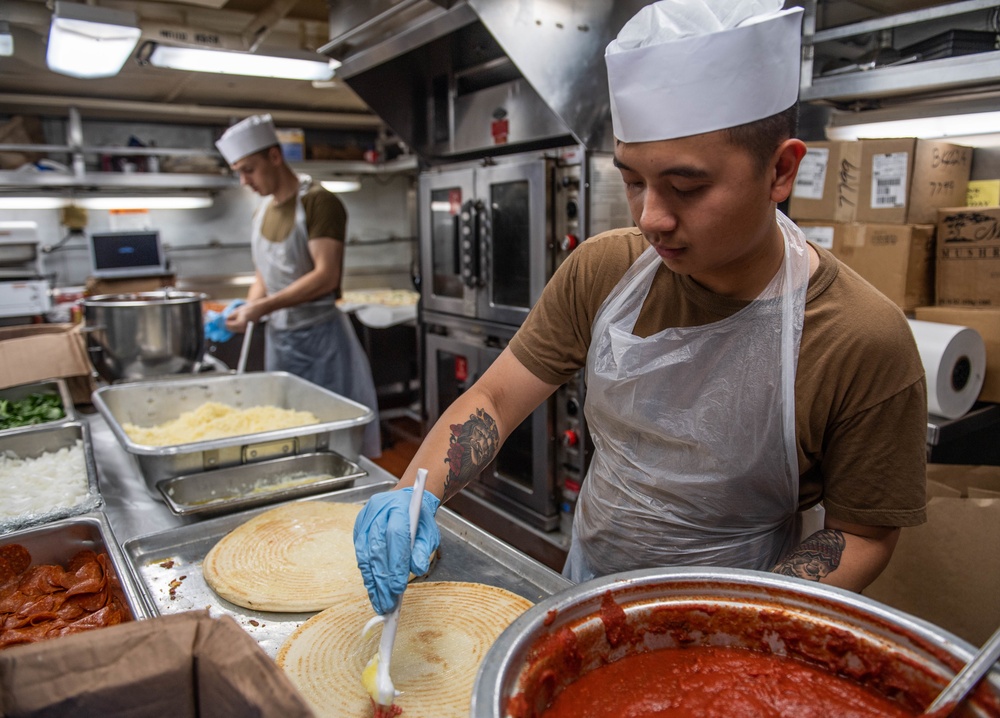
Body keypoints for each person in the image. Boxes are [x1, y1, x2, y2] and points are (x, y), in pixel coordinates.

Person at [354, 0, 928, 615]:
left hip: (745, 615)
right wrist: (415, 494)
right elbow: (494, 398)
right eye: (632, 180)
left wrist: (743, 621)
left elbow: (863, 532)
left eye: (686, 187)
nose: (650, 217)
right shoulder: (604, 271)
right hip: (587, 583)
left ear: (780, 170)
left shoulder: (861, 338)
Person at [215, 114, 381, 458]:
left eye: (249, 169)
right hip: (282, 341)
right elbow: (264, 272)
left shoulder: (319, 202)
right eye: (239, 172)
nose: (245, 181)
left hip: (322, 342)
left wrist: (261, 308)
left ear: (275, 156)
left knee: (333, 437)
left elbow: (326, 276)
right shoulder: (261, 211)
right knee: (288, 432)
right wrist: (247, 308)